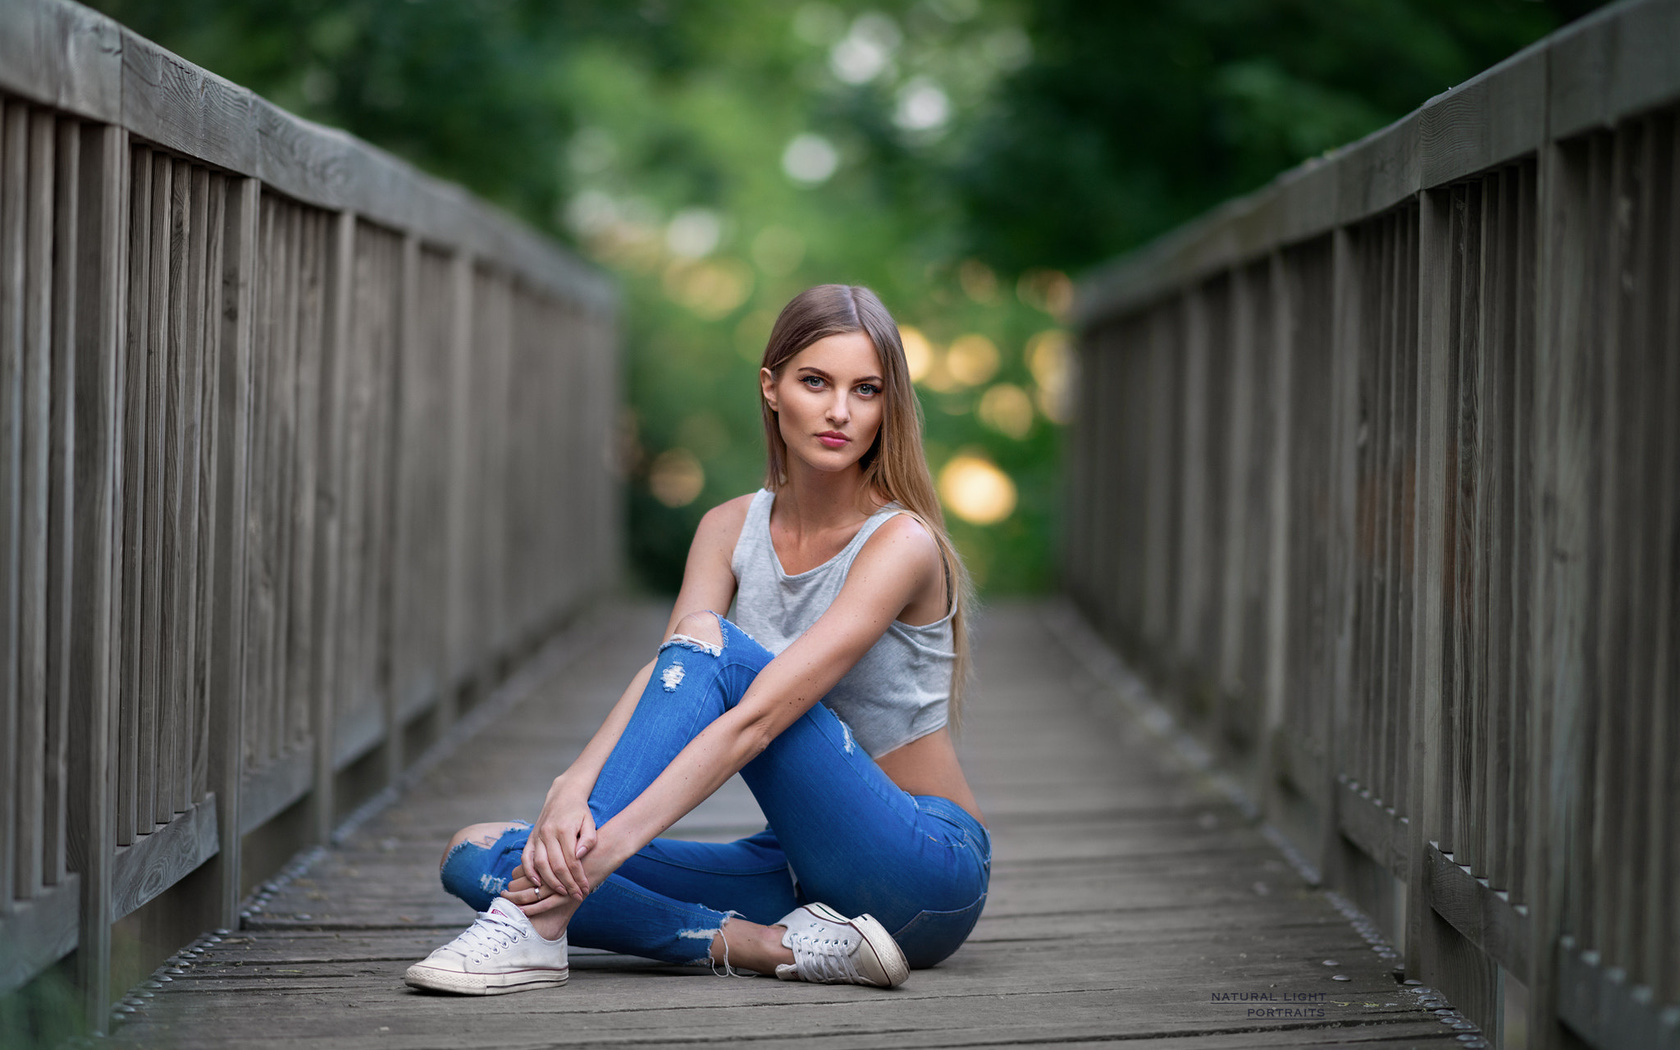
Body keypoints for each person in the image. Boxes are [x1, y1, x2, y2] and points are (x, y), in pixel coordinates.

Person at [404, 284, 990, 995]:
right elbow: (673, 671)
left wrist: (601, 853)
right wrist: (574, 786)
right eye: (816, 382)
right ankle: (760, 947)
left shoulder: (901, 541)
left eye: (865, 390)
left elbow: (757, 717)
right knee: (477, 852)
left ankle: (539, 923)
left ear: (885, 408)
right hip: (802, 879)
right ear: (772, 390)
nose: (840, 411)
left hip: (923, 871)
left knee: (715, 655)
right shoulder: (726, 528)